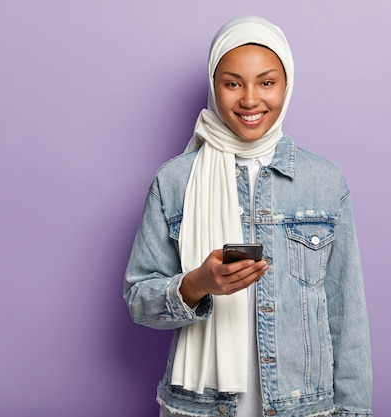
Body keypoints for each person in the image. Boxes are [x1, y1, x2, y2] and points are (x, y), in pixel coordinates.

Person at [124, 15, 372, 417]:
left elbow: (346, 319)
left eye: (267, 82)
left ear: (287, 85)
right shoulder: (174, 180)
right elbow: (139, 299)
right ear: (214, 85)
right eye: (233, 82)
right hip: (201, 408)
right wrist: (197, 284)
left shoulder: (325, 182)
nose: (251, 99)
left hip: (303, 408)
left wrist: (355, 412)